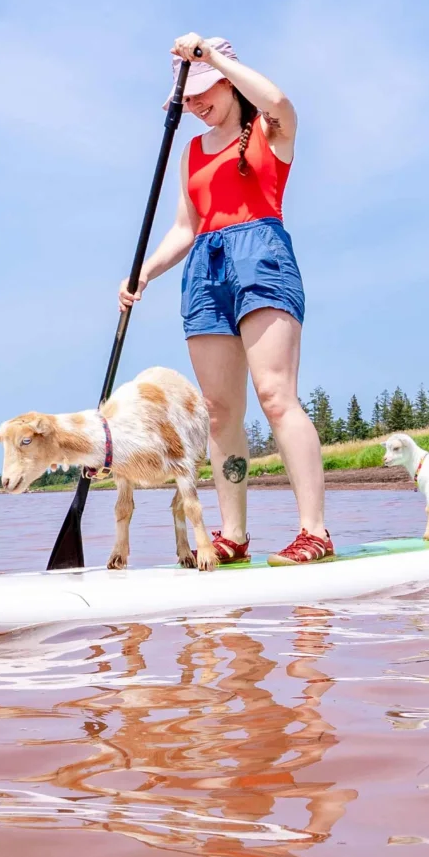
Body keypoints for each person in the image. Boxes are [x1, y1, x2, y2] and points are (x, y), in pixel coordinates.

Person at [119, 34, 331, 565]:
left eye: (203, 92)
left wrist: (209, 57)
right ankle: (233, 535)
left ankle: (315, 532)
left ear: (228, 83)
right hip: (205, 270)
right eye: (186, 98)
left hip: (261, 255)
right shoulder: (191, 152)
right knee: (219, 412)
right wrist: (144, 274)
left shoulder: (270, 129)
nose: (194, 104)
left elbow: (278, 100)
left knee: (275, 395)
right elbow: (185, 228)